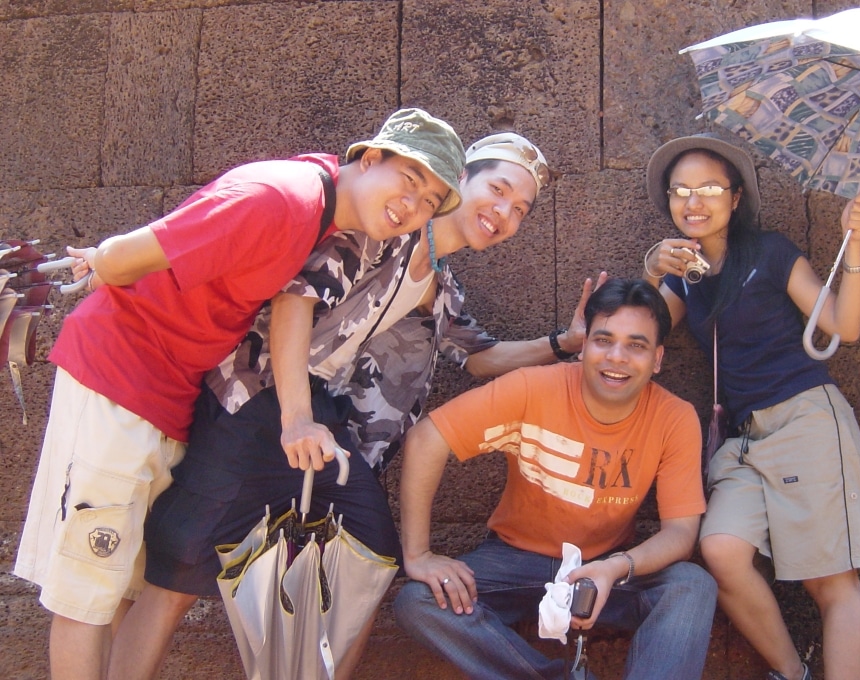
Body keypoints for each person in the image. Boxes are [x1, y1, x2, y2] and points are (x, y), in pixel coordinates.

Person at [109, 133, 606, 680]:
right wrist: (294, 416)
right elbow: (294, 300)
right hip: (251, 396)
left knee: (370, 554)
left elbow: (482, 357)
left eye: (520, 211)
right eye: (498, 190)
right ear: (457, 181)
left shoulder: (440, 287)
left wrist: (567, 342)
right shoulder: (382, 228)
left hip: (324, 418)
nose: (504, 213)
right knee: (179, 571)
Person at [12, 107, 465, 680]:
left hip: (172, 394)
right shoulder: (282, 196)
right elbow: (127, 256)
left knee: (121, 585)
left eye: (430, 201)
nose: (413, 205)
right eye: (410, 181)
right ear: (369, 158)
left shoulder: (335, 223)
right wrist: (101, 261)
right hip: (120, 376)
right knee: (88, 584)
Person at [393, 277, 718, 680]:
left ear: (657, 359)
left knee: (692, 586)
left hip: (606, 567)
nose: (617, 357)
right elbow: (426, 438)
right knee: (419, 600)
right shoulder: (534, 387)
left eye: (636, 345)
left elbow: (681, 534)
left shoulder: (675, 416)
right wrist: (419, 555)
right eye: (603, 340)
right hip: (514, 559)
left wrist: (614, 568)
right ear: (584, 346)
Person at [640, 133, 860, 680]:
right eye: (680, 191)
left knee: (832, 583)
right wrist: (652, 268)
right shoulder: (685, 272)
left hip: (807, 421)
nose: (692, 202)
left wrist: (854, 244)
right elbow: (643, 331)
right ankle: (791, 673)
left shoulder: (770, 252)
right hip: (744, 441)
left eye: (708, 189)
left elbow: (844, 325)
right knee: (721, 551)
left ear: (737, 197)